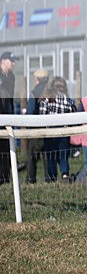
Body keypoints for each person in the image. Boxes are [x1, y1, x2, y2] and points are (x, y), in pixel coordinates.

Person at [39, 76, 77, 182]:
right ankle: (65, 175)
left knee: (51, 155)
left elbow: (42, 115)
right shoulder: (68, 100)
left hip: (50, 131)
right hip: (64, 131)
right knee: (63, 155)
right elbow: (74, 114)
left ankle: (52, 178)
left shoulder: (47, 99)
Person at [24, 69, 49, 184]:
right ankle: (49, 179)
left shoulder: (34, 92)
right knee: (48, 158)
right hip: (50, 129)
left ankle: (30, 180)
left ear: (37, 79)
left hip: (36, 130)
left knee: (32, 158)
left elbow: (30, 111)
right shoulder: (53, 91)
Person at [0, 51, 20, 184]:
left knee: (6, 147)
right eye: (11, 61)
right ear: (3, 61)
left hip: (7, 114)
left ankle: (5, 177)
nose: (13, 63)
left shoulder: (11, 77)